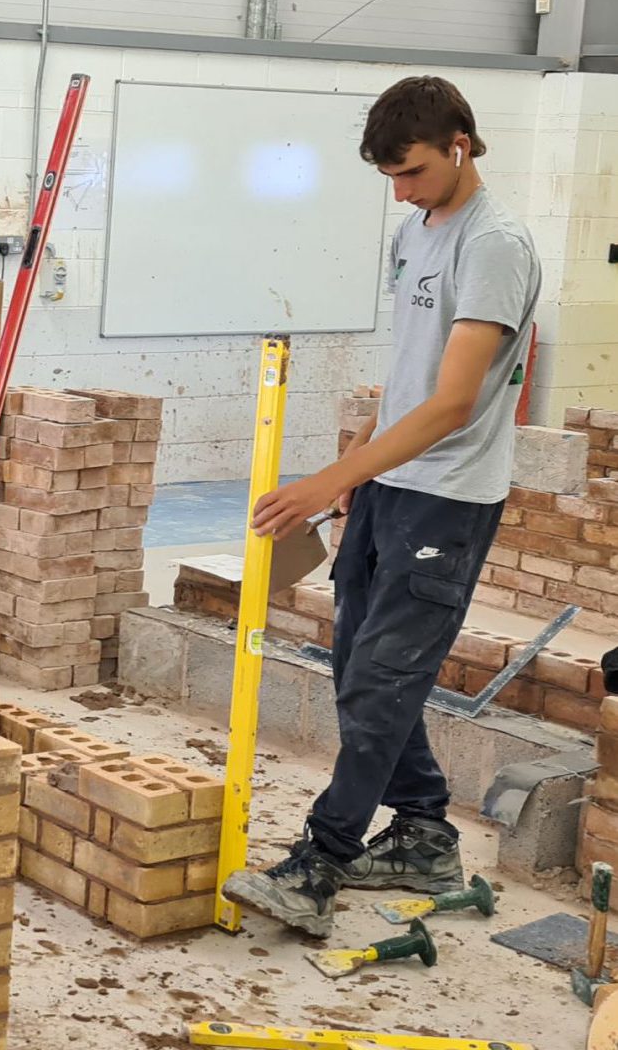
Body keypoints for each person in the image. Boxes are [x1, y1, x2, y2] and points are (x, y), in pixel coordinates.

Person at [222, 75, 541, 937]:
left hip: (446, 499)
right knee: (357, 668)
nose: (399, 192)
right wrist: (351, 465)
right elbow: (407, 376)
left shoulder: (495, 244)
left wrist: (330, 480)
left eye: (411, 172)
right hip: (389, 488)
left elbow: (451, 403)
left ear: (459, 146)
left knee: (381, 681)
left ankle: (319, 863)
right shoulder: (415, 232)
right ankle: (424, 830)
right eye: (388, 179)